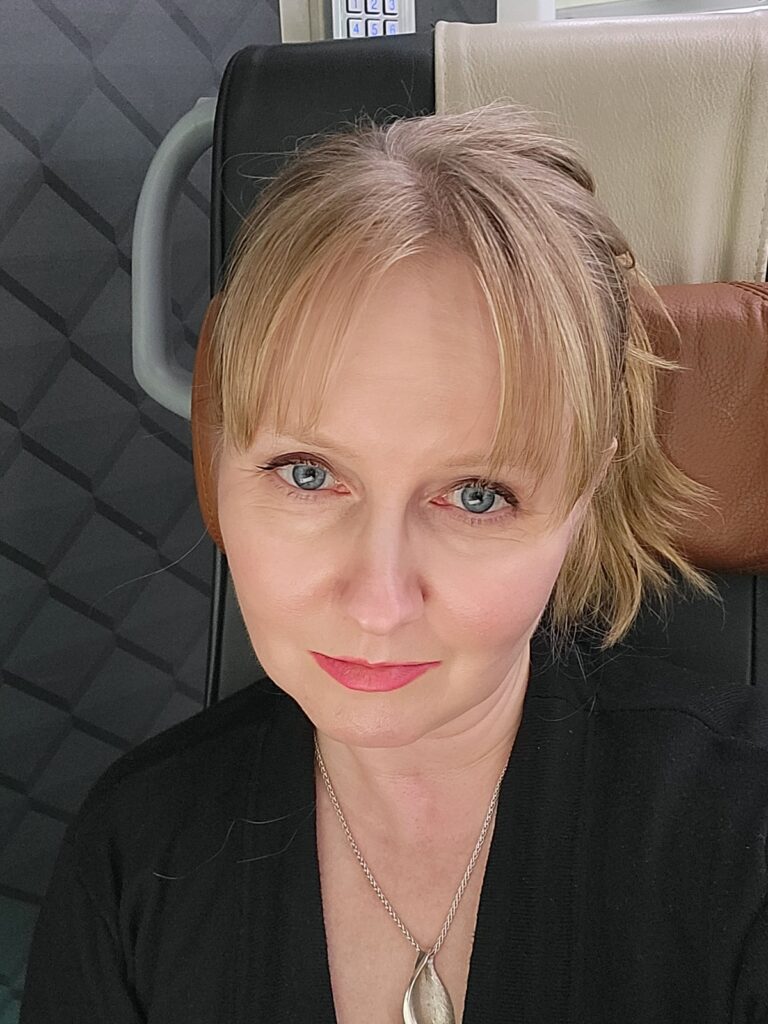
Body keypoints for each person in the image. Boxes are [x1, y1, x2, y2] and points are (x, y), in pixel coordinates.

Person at [19, 101, 768, 1024]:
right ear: (218, 466)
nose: (378, 603)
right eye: (307, 473)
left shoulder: (748, 833)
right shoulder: (131, 854)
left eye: (477, 495)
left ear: (586, 495)